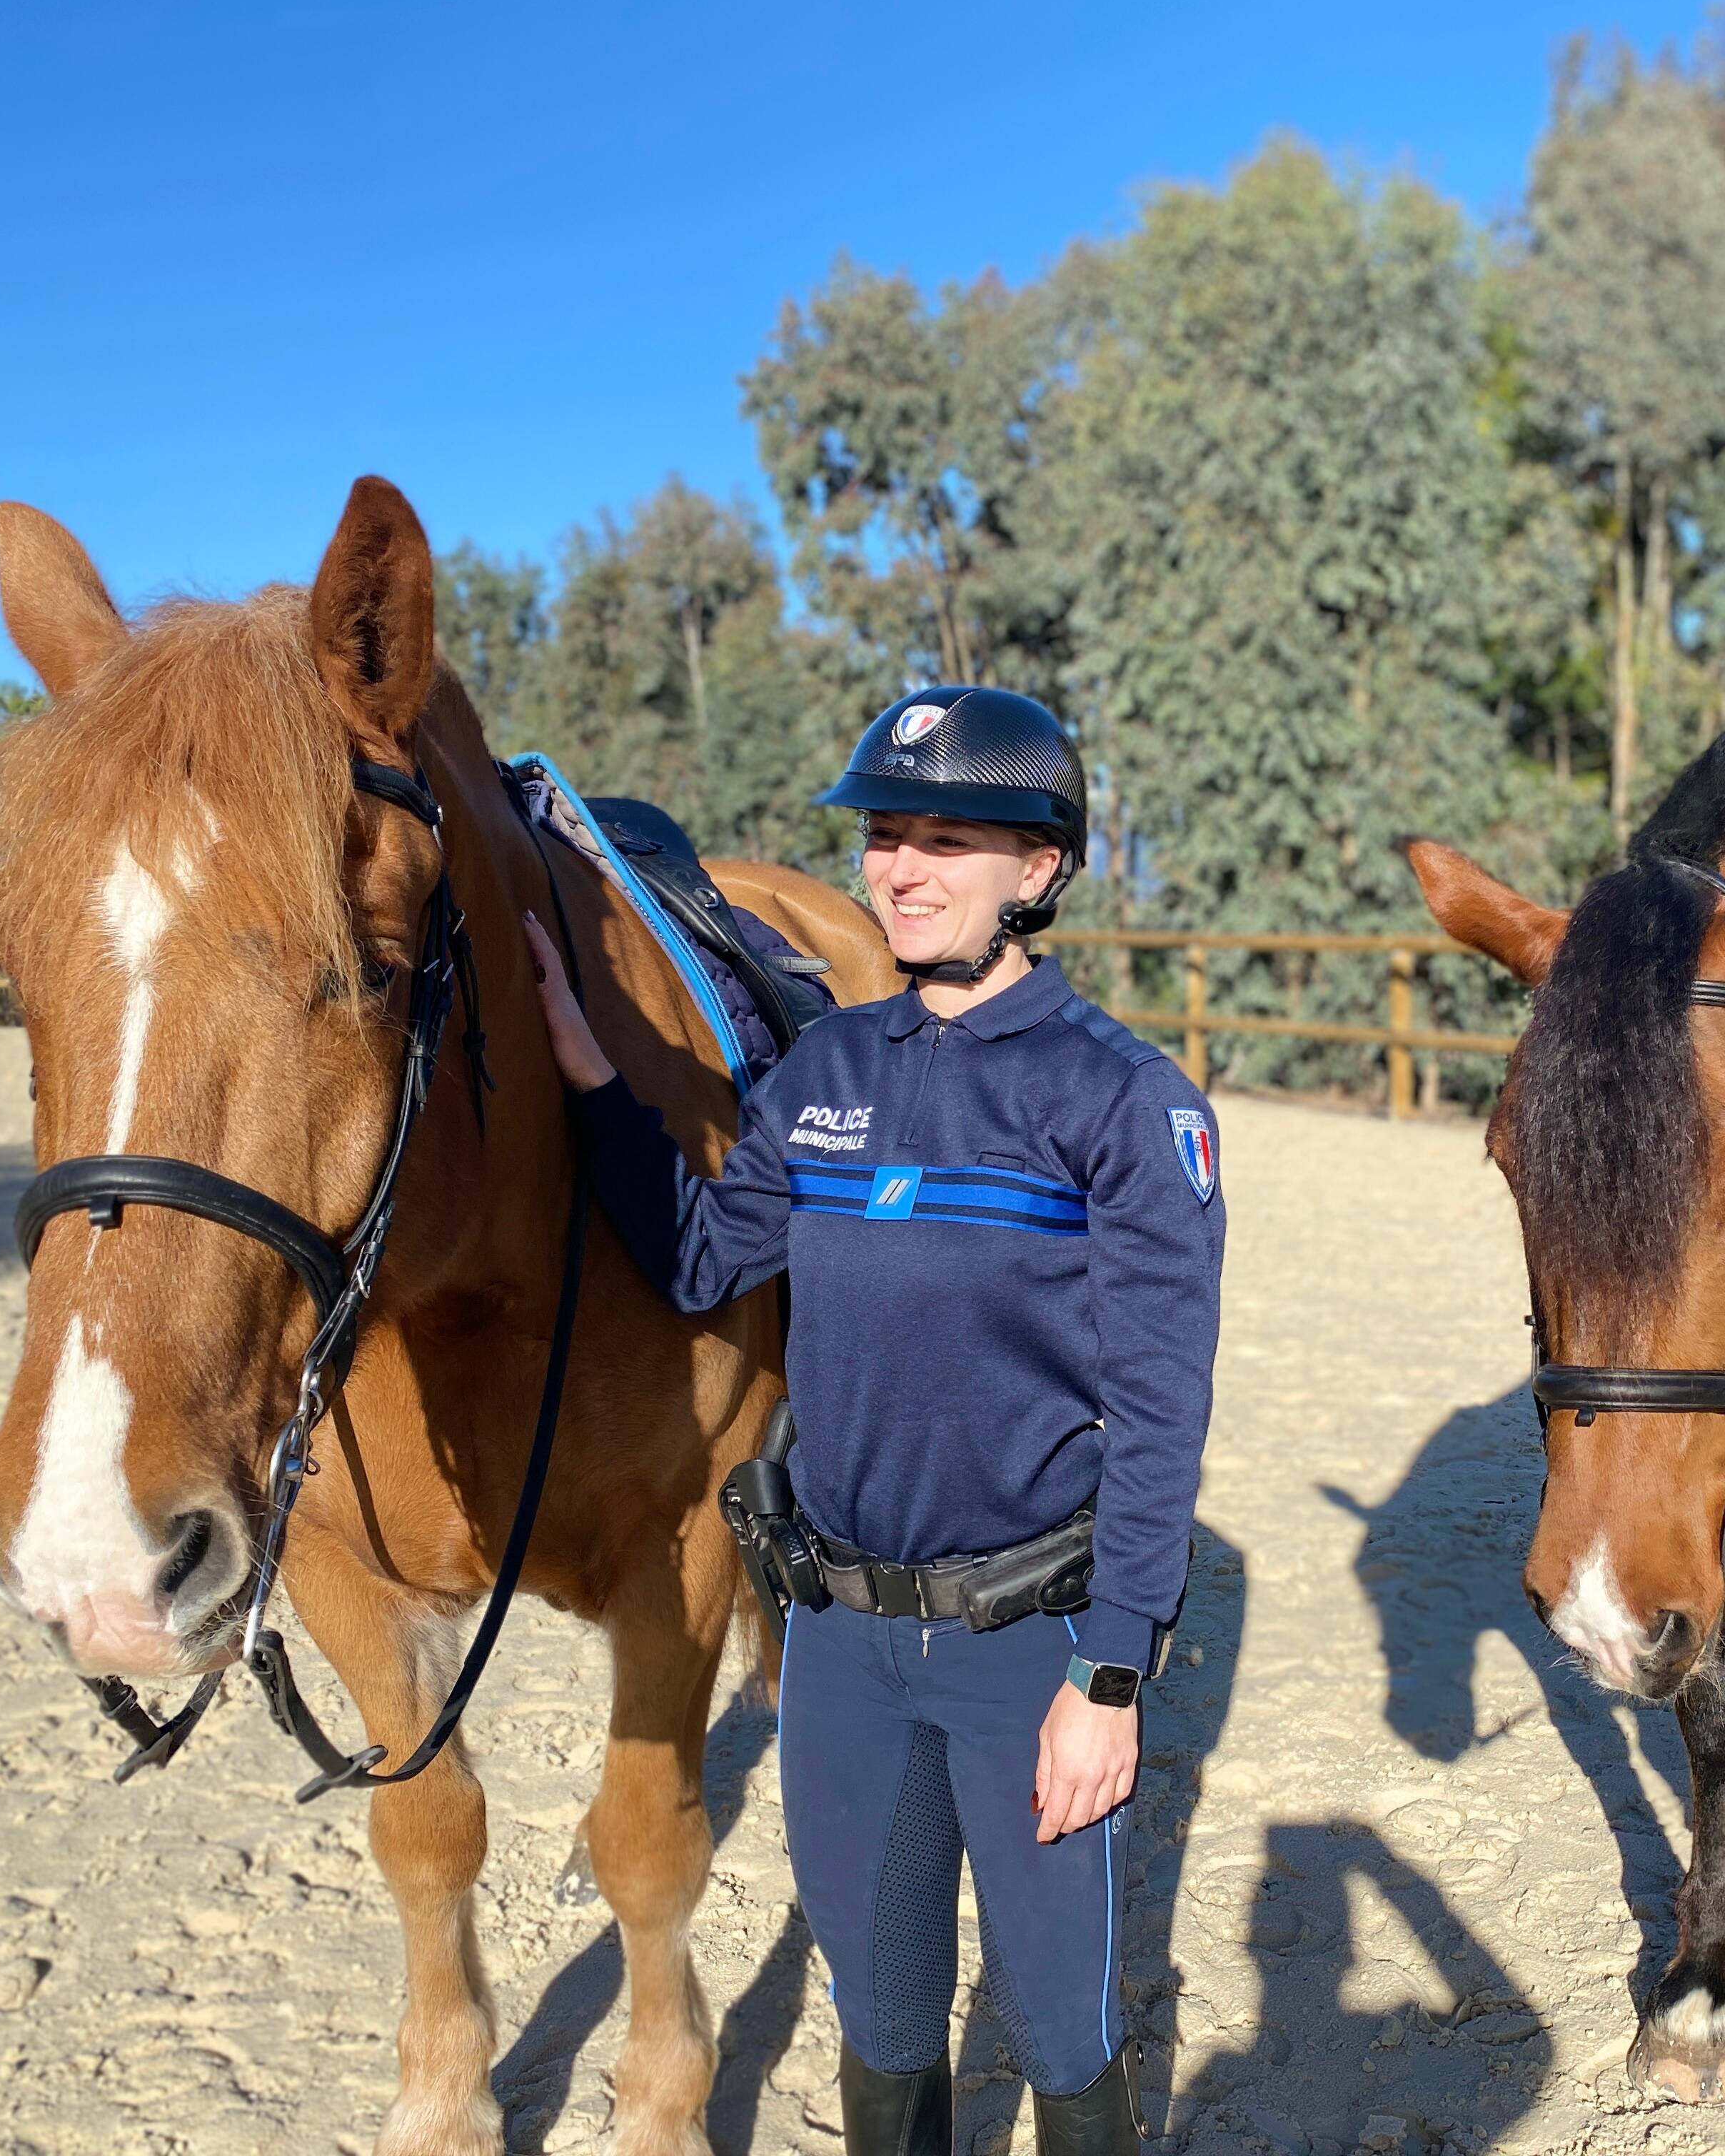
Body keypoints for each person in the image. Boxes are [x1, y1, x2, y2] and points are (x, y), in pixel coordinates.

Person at [523, 686, 1224, 2156]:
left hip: (1025, 1647)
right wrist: (593, 1079)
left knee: (1060, 2024)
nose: (900, 869)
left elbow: (1161, 1409)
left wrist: (1111, 1673)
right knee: (884, 2020)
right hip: (836, 1653)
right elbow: (706, 1258)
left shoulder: (1123, 1102)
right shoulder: (827, 1075)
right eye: (885, 835)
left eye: (948, 840)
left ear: (1039, 871)